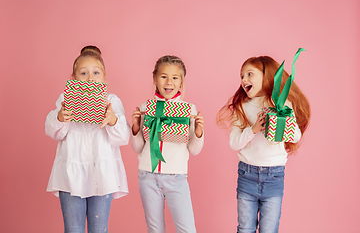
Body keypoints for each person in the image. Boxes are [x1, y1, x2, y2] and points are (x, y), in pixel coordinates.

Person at [217, 52, 310, 233]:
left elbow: (296, 136)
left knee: (269, 229)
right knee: (245, 229)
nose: (244, 79)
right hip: (247, 175)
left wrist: (279, 125)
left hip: (274, 176)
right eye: (242, 76)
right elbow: (234, 143)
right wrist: (253, 129)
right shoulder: (242, 106)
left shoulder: (281, 104)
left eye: (250, 74)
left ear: (266, 76)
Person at [45, 45, 130, 233]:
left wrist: (113, 120)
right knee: (73, 228)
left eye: (96, 72)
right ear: (73, 78)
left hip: (102, 175)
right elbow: (52, 131)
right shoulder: (65, 99)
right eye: (83, 73)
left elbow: (123, 137)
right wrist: (60, 117)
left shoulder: (112, 101)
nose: (90, 78)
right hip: (70, 175)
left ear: (104, 77)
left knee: (99, 229)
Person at [131, 55, 204, 233]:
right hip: (147, 176)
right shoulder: (145, 106)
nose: (169, 82)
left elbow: (195, 150)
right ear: (155, 78)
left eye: (175, 77)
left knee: (187, 229)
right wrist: (134, 128)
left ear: (181, 82)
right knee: (154, 230)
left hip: (177, 177)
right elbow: (138, 148)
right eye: (164, 76)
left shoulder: (190, 110)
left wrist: (199, 132)